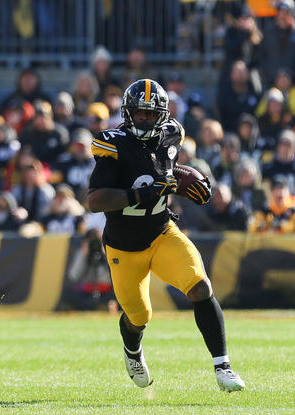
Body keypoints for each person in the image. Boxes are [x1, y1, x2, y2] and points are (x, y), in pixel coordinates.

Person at [87, 79, 245, 392]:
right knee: (139, 316)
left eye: (149, 113)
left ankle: (223, 366)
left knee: (199, 286)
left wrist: (192, 183)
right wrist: (136, 196)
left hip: (162, 232)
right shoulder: (112, 142)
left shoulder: (173, 133)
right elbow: (95, 200)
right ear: (128, 113)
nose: (144, 119)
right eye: (139, 113)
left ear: (161, 114)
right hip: (123, 246)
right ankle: (132, 350)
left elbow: (168, 174)